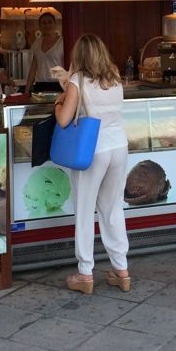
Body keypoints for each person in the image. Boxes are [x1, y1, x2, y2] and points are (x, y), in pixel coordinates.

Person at [54, 34, 129, 295]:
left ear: (79, 56)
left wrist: (59, 100)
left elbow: (63, 120)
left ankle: (85, 272)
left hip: (93, 150)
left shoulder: (77, 81)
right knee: (112, 209)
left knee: (85, 211)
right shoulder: (115, 76)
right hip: (119, 146)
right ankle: (121, 270)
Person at [25, 11, 64, 94]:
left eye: (50, 22)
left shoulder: (62, 43)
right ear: (40, 26)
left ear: (55, 24)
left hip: (58, 85)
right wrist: (26, 91)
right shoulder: (37, 43)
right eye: (44, 23)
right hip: (40, 86)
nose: (47, 25)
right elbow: (33, 68)